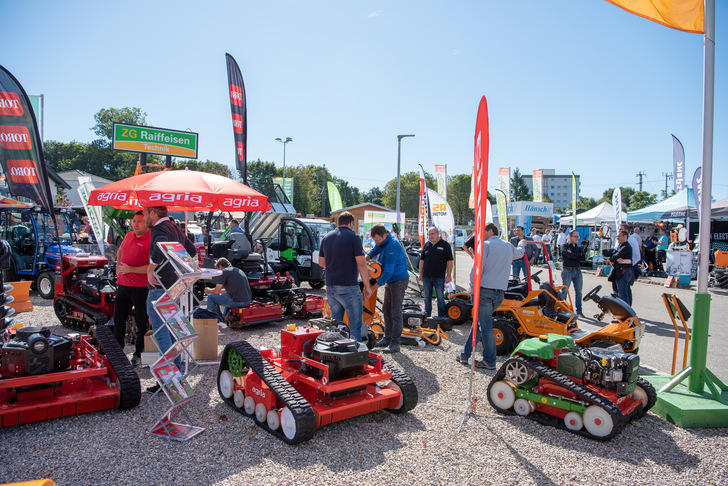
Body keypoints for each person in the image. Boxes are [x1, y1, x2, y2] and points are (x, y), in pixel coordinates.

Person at [457, 223, 525, 369]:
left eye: (482, 231)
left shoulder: (486, 245)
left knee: (485, 326)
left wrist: (472, 288)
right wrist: (522, 243)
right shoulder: (507, 246)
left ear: (490, 231)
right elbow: (519, 253)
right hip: (499, 293)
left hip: (484, 291)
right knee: (481, 323)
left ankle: (489, 361)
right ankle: (464, 354)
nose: (480, 234)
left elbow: (476, 269)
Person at [144, 205, 197, 390]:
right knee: (175, 332)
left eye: (144, 214)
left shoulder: (159, 229)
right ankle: (177, 376)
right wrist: (175, 265)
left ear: (153, 213)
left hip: (159, 286)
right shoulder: (175, 227)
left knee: (162, 333)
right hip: (174, 285)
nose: (143, 219)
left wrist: (151, 267)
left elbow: (159, 247)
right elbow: (191, 250)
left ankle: (171, 380)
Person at [319, 211, 372, 342]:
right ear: (351, 223)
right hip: (348, 287)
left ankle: (336, 352)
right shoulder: (354, 237)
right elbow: (361, 263)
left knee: (336, 326)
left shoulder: (326, 238)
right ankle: (355, 357)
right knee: (355, 325)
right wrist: (367, 286)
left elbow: (321, 263)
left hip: (331, 287)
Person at [113, 211, 151, 367]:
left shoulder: (151, 240)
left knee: (142, 322)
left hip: (140, 287)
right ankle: (117, 353)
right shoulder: (129, 236)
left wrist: (131, 269)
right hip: (123, 285)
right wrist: (117, 266)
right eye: (134, 221)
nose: (135, 224)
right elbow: (120, 249)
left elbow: (151, 268)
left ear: (147, 223)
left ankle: (138, 354)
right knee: (118, 319)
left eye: (139, 221)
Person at [366, 224, 409, 353]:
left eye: (378, 240)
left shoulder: (392, 246)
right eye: (375, 240)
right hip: (391, 281)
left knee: (396, 312)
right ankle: (387, 337)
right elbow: (374, 251)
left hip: (398, 280)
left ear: (385, 235)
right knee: (386, 310)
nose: (376, 242)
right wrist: (365, 259)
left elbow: (388, 272)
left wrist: (373, 288)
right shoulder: (383, 242)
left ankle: (395, 343)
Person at [418, 226, 453, 318]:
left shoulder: (445, 245)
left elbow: (450, 261)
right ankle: (427, 316)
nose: (430, 236)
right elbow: (422, 260)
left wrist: (448, 275)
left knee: (440, 298)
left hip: (439, 277)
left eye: (432, 234)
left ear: (438, 233)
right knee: (427, 297)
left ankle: (441, 317)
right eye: (429, 234)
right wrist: (420, 273)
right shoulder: (426, 245)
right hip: (426, 276)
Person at [560, 229, 585, 317]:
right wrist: (577, 255)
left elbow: (583, 258)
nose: (577, 238)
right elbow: (566, 255)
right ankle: (564, 309)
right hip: (567, 270)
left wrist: (573, 255)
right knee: (564, 291)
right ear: (570, 237)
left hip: (577, 270)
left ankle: (579, 310)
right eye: (575, 236)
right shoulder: (565, 246)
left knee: (579, 291)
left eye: (578, 236)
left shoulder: (579, 247)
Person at [610, 230, 634, 305]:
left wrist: (615, 258)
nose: (617, 238)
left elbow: (614, 257)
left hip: (624, 272)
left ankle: (625, 311)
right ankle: (624, 310)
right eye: (617, 236)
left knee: (622, 293)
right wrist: (616, 258)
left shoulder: (626, 246)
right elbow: (614, 256)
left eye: (619, 236)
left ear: (625, 236)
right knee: (620, 291)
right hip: (621, 271)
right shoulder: (621, 246)